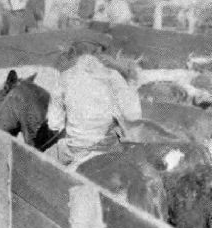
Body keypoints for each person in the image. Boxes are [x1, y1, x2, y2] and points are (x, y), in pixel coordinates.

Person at [46, 37, 142, 166]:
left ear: (74, 54)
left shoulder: (64, 77)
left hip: (74, 149)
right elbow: (132, 116)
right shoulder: (113, 76)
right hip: (106, 148)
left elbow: (54, 123)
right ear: (98, 54)